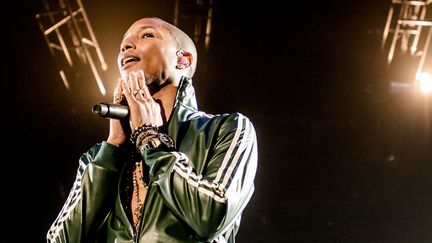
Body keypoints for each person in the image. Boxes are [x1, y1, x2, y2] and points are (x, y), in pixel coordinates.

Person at [46, 16, 258, 243]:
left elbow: (211, 216)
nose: (126, 46)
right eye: (123, 44)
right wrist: (113, 147)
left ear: (183, 60)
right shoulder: (98, 158)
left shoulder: (226, 129)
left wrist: (150, 138)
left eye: (147, 35)